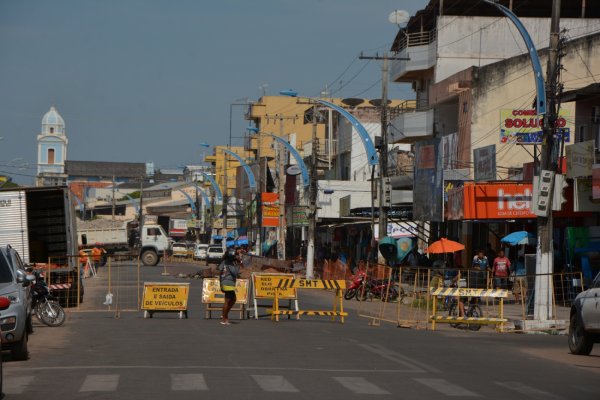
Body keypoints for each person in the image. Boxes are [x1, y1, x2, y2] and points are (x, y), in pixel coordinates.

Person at [218, 248, 240, 325]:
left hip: (224, 282)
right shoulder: (230, 264)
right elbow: (235, 272)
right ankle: (224, 318)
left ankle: (225, 315)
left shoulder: (224, 262)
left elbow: (220, 271)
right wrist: (238, 263)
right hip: (228, 283)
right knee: (228, 301)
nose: (237, 257)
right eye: (236, 256)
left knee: (233, 299)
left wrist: (220, 282)